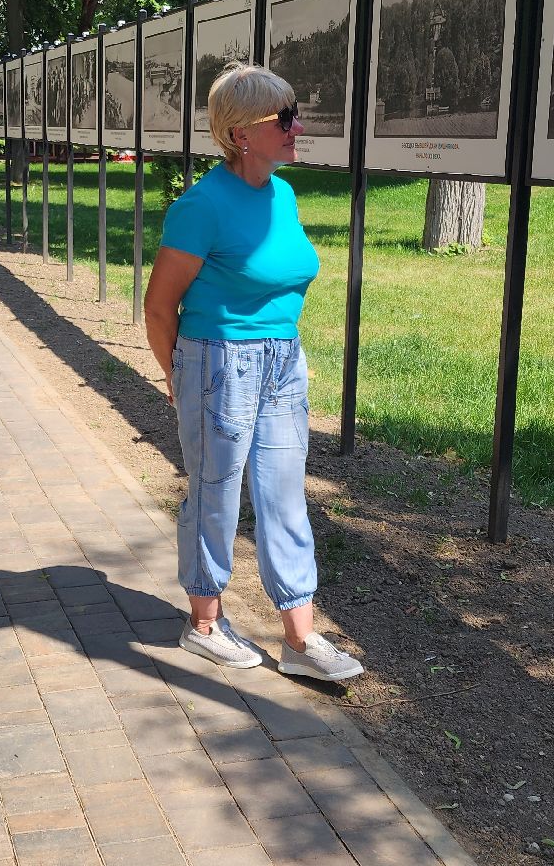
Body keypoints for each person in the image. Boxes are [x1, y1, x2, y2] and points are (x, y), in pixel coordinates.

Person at [144, 64, 364, 683]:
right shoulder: (202, 205)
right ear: (242, 133)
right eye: (284, 118)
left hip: (281, 359)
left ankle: (299, 639)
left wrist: (281, 353)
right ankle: (205, 624)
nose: (298, 127)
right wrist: (180, 372)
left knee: (283, 495)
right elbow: (160, 308)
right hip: (219, 360)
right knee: (215, 491)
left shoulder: (283, 195)